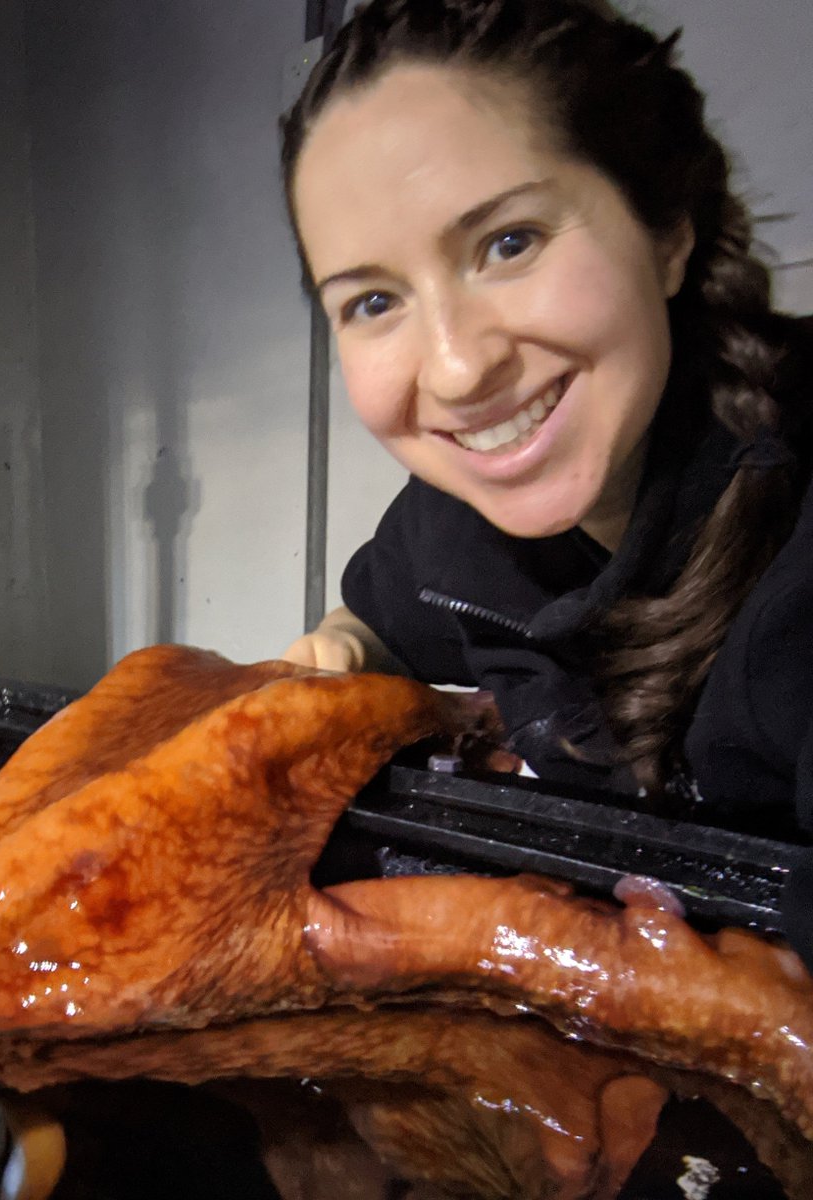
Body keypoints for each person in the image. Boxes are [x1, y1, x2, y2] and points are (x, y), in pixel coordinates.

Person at [276, 0, 813, 960]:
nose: (453, 369)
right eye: (372, 300)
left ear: (666, 231)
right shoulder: (453, 528)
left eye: (509, 242)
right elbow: (380, 619)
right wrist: (337, 652)